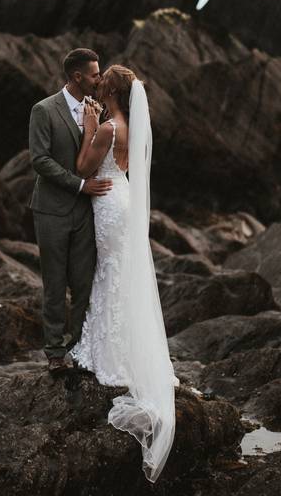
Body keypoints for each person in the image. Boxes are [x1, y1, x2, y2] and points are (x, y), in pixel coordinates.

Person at [68, 64, 179, 483]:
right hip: (125, 201)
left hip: (109, 207)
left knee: (111, 275)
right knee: (121, 275)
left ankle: (110, 355)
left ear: (110, 90)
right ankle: (128, 348)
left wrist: (90, 126)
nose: (96, 85)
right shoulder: (132, 128)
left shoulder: (109, 128)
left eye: (102, 82)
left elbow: (83, 167)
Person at [27, 48, 113, 372]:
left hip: (87, 211)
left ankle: (78, 349)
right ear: (77, 77)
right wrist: (79, 185)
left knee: (83, 283)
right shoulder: (44, 110)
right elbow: (39, 160)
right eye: (94, 74)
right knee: (54, 283)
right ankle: (54, 354)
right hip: (51, 210)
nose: (99, 79)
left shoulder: (98, 109)